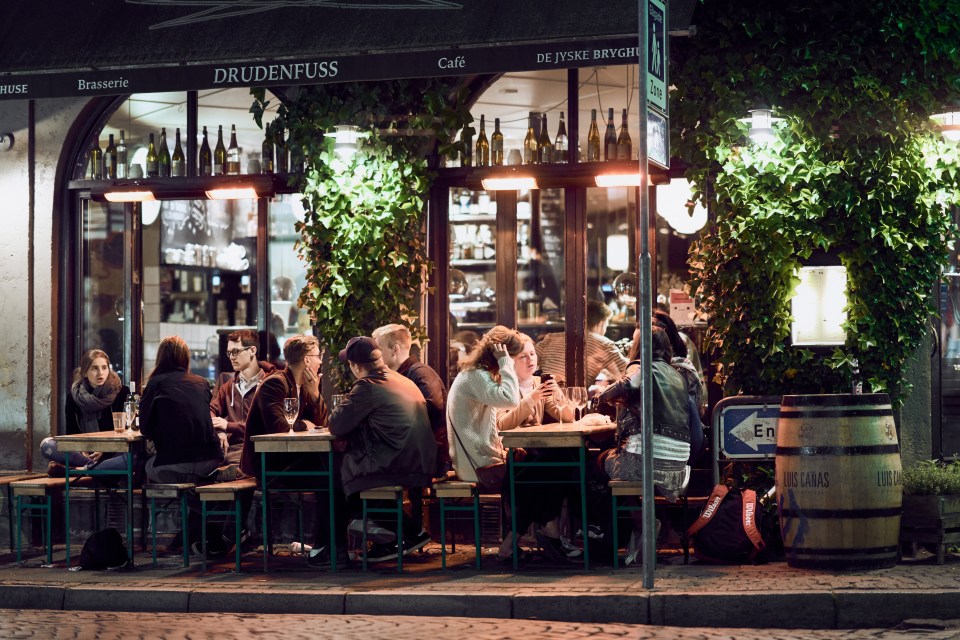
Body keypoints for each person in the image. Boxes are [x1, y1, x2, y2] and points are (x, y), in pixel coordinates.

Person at [329, 336, 436, 563]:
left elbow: (337, 424)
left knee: (335, 479)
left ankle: (335, 549)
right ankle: (402, 536)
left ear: (356, 366)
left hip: (395, 464)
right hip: (419, 461)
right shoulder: (401, 379)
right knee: (350, 476)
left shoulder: (368, 386)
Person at [596, 326, 691, 564]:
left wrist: (601, 396)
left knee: (597, 464)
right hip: (678, 466)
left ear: (638, 348)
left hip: (648, 462)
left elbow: (626, 385)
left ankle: (618, 535)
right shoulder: (676, 374)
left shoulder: (640, 365)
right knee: (619, 463)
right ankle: (640, 525)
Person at [238, 334, 332, 564]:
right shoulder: (275, 383)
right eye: (318, 356)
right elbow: (279, 426)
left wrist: (315, 393)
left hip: (290, 459)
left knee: (333, 472)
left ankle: (326, 545)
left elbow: (321, 423)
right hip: (269, 466)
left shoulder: (302, 385)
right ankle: (323, 546)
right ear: (307, 360)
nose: (321, 361)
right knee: (328, 478)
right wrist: (304, 425)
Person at [496, 333, 581, 562]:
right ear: (510, 360)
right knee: (561, 463)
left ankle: (520, 538)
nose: (530, 360)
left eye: (532, 354)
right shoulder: (503, 385)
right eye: (523, 356)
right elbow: (501, 423)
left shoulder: (538, 383)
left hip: (537, 455)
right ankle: (553, 528)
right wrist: (531, 399)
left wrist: (558, 394)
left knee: (566, 457)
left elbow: (567, 416)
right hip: (514, 457)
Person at [139, 336, 226, 553]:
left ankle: (197, 514)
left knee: (148, 467)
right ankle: (200, 528)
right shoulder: (201, 383)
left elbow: (144, 429)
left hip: (177, 462)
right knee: (193, 483)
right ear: (185, 358)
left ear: (161, 358)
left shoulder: (155, 384)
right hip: (211, 459)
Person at [372, 323, 450, 477]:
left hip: (429, 457)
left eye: (379, 350)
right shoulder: (399, 375)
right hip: (414, 454)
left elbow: (434, 408)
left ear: (395, 349)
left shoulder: (420, 373)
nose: (375, 356)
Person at [40, 348, 130, 475]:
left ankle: (78, 470)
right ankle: (92, 468)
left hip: (113, 452)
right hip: (85, 454)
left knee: (132, 458)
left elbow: (127, 431)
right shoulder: (74, 397)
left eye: (104, 367)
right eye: (94, 368)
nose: (101, 373)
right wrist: (82, 449)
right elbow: (71, 433)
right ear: (85, 372)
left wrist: (104, 448)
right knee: (47, 445)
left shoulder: (122, 392)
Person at [210, 329, 277, 466]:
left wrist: (228, 426)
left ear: (252, 350)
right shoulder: (228, 386)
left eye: (235, 352)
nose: (231, 357)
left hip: (259, 450)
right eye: (229, 353)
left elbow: (265, 426)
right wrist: (219, 430)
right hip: (231, 451)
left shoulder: (270, 385)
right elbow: (210, 410)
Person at [535, 299, 628, 387]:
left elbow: (527, 359)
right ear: (600, 324)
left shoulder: (551, 338)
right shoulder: (605, 344)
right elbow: (630, 373)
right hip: (574, 399)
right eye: (606, 326)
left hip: (542, 396)